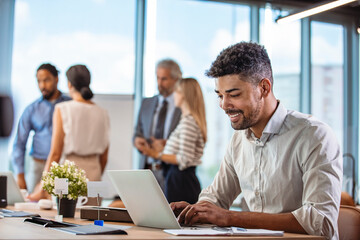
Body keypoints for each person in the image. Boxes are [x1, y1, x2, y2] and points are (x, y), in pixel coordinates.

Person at [170, 42, 342, 240]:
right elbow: (216, 198)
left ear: (264, 88)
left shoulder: (314, 136)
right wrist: (195, 211)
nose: (224, 106)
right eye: (220, 96)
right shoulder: (238, 141)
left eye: (234, 95)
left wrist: (231, 218)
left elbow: (321, 222)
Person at [28, 64, 110, 201]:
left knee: (64, 220)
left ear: (69, 84)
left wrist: (43, 186)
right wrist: (94, 179)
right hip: (94, 177)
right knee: (92, 220)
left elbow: (55, 153)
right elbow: (104, 157)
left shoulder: (62, 109)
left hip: (68, 176)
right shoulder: (103, 113)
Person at [142, 78, 207, 204]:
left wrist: (156, 155)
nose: (174, 95)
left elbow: (184, 159)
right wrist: (165, 146)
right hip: (178, 178)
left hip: (181, 180)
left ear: (184, 95)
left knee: (177, 221)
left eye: (176, 91)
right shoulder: (186, 121)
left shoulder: (188, 122)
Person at [11, 63, 71, 192]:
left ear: (56, 79)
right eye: (39, 81)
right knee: (32, 203)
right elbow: (19, 143)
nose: (42, 85)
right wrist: (20, 174)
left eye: (46, 80)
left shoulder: (69, 105)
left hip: (61, 166)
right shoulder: (31, 109)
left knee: (60, 205)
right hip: (37, 166)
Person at [133, 59, 182, 191]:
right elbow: (137, 132)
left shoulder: (184, 106)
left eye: (164, 79)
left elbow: (191, 142)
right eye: (158, 78)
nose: (159, 83)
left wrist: (167, 144)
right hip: (147, 172)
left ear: (176, 79)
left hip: (172, 173)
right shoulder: (146, 103)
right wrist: (137, 141)